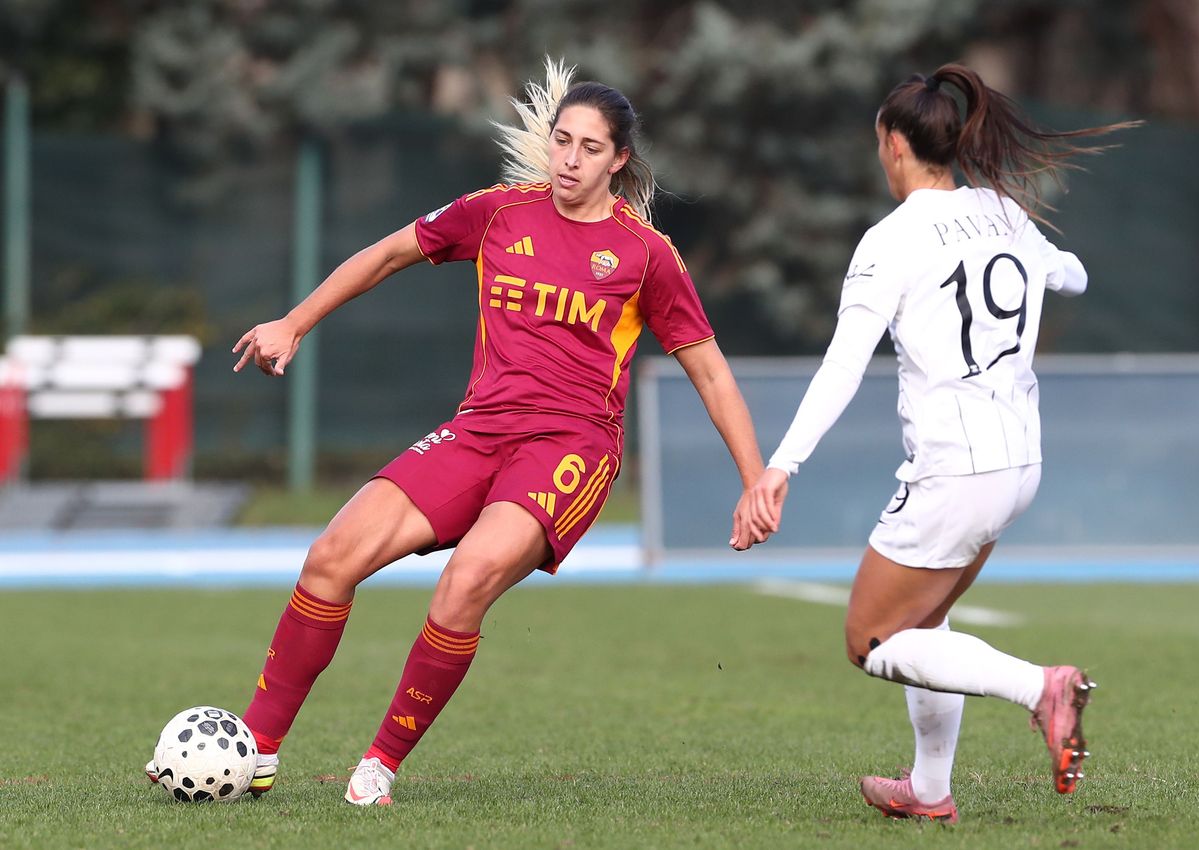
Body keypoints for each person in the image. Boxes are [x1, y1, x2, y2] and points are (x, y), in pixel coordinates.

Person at [145, 59, 765, 806]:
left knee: (462, 584)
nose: (568, 158)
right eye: (561, 140)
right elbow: (386, 254)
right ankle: (256, 750)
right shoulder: (499, 211)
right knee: (329, 558)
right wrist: (293, 323)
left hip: (570, 448)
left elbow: (711, 371)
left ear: (619, 159)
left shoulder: (644, 256)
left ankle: (378, 763)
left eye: (588, 148)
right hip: (477, 433)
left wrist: (753, 476)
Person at [741, 64, 1137, 823]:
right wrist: (1047, 263)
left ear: (892, 144)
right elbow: (1074, 276)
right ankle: (927, 792)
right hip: (1019, 462)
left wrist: (779, 466)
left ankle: (1042, 688)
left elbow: (843, 365)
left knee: (872, 640)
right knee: (924, 623)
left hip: (957, 467)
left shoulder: (890, 240)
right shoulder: (1003, 211)